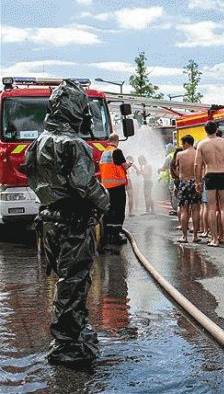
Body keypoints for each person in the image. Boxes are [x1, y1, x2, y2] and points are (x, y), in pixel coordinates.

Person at [25, 79, 110, 364]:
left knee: (65, 280)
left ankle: (74, 330)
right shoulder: (74, 145)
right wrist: (103, 200)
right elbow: (85, 185)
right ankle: (68, 344)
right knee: (73, 282)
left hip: (48, 219)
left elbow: (33, 178)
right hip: (73, 222)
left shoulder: (37, 143)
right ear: (77, 110)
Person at [194, 121, 224, 247]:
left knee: (212, 208)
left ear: (205, 130)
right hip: (222, 174)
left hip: (210, 174)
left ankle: (214, 239)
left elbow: (198, 165)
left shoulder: (202, 144)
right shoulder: (223, 142)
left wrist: (198, 181)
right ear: (216, 129)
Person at [100, 133, 132, 244]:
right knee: (119, 210)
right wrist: (130, 164)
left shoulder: (104, 152)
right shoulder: (117, 151)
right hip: (117, 186)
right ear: (117, 140)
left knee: (109, 210)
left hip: (106, 187)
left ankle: (108, 234)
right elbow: (124, 166)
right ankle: (116, 235)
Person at [174, 135, 201, 243]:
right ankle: (195, 236)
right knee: (195, 210)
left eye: (182, 144)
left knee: (184, 209)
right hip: (195, 182)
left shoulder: (180, 154)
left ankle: (184, 237)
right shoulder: (197, 153)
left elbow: (177, 168)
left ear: (186, 143)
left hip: (184, 182)